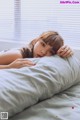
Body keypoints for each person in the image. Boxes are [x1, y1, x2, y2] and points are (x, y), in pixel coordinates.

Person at [0, 31, 73, 69]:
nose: (43, 52)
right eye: (43, 44)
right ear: (36, 41)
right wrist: (9, 67)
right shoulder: (17, 55)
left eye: (50, 51)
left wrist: (67, 50)